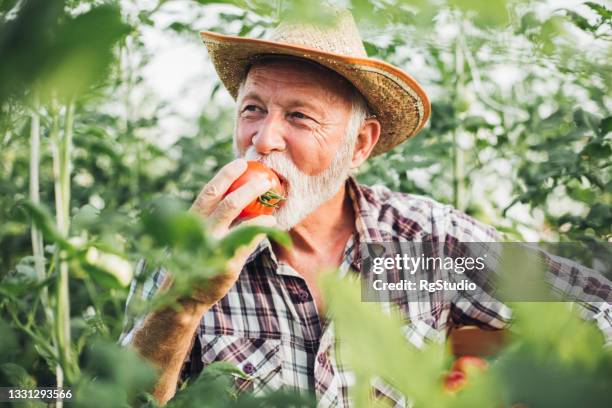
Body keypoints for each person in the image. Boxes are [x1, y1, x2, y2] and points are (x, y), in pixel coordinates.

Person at [119, 9, 612, 407]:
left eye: (299, 117)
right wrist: (184, 301)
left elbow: (599, 309)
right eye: (253, 109)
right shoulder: (182, 250)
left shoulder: (428, 242)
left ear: (358, 145)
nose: (264, 139)